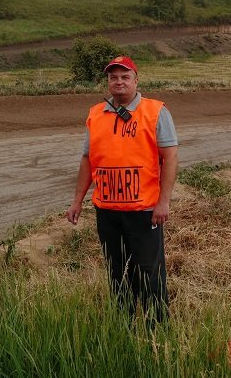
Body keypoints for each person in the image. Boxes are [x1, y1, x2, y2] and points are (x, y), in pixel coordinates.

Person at [66, 55, 178, 321]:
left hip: (144, 211)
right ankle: (124, 324)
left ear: (136, 81)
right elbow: (87, 159)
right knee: (117, 271)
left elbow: (170, 157)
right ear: (108, 82)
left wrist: (163, 202)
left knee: (148, 271)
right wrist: (77, 200)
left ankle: (156, 328)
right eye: (113, 77)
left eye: (125, 77)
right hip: (107, 212)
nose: (119, 82)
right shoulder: (96, 114)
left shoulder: (155, 111)